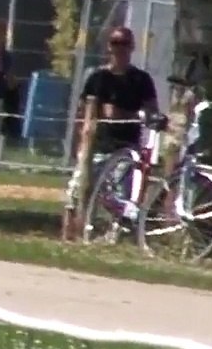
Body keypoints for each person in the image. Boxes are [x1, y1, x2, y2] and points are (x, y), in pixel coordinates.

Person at [63, 27, 158, 218]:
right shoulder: (97, 78)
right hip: (96, 147)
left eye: (124, 43)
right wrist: (78, 146)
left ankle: (117, 231)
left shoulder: (141, 80)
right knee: (75, 198)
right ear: (109, 46)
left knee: (120, 201)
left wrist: (124, 114)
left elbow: (152, 112)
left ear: (132, 47)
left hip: (126, 149)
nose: (120, 48)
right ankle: (74, 232)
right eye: (115, 43)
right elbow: (83, 113)